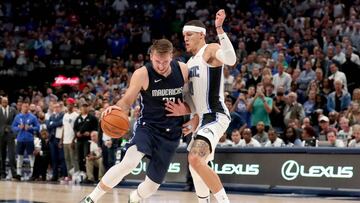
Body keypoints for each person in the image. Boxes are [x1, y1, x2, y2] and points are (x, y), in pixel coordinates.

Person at [80, 39, 188, 203]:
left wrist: (190, 114)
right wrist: (115, 108)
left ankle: (134, 198)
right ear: (151, 56)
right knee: (128, 163)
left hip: (172, 133)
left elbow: (194, 99)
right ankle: (91, 199)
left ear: (172, 56)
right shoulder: (142, 73)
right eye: (157, 61)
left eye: (165, 61)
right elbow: (127, 100)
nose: (161, 66)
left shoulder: (183, 70)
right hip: (148, 128)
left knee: (151, 187)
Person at [166, 9, 236, 203]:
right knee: (195, 164)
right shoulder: (189, 63)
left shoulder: (210, 50)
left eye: (189, 35)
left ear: (201, 35)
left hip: (216, 115)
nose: (185, 39)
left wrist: (220, 29)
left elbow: (231, 60)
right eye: (183, 36)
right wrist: (187, 111)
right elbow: (193, 100)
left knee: (195, 158)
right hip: (202, 119)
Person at [0, 97, 17, 180]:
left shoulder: (13, 110)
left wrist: (10, 129)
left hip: (10, 135)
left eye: (6, 101)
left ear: (8, 102)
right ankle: (2, 173)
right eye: (3, 101)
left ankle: (14, 173)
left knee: (11, 155)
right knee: (1, 155)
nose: (5, 102)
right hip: (0, 135)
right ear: (1, 102)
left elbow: (16, 122)